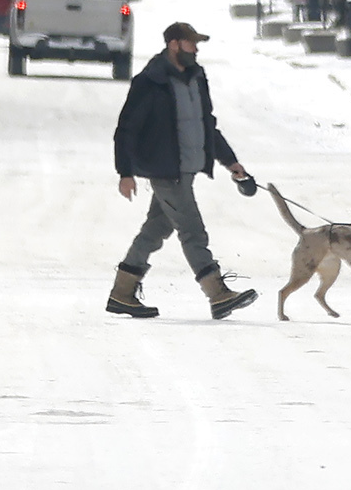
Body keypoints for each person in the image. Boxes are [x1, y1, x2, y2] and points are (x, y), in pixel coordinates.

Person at [107, 22, 258, 319]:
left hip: (185, 170)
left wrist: (230, 162)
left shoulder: (196, 78)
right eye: (191, 43)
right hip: (164, 171)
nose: (196, 49)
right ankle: (217, 293)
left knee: (155, 230)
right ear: (174, 44)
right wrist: (125, 172)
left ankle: (122, 293)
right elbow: (126, 129)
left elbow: (207, 124)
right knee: (192, 231)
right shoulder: (150, 81)